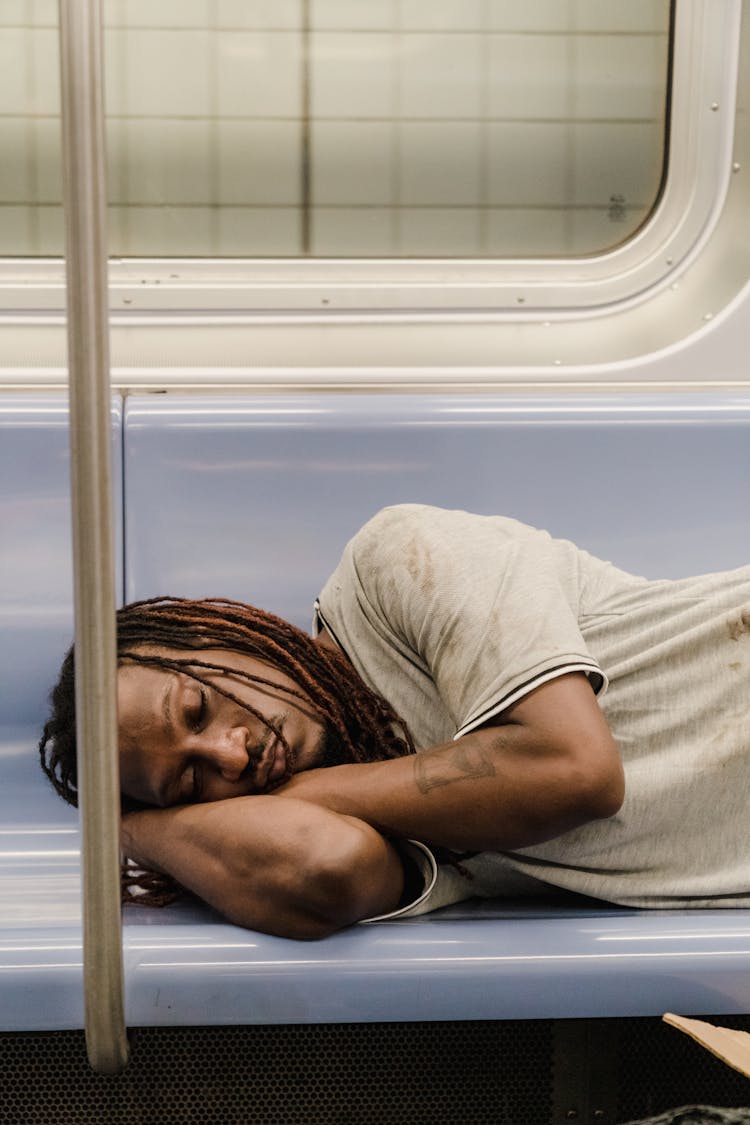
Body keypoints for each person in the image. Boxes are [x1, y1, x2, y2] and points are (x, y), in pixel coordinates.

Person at [39, 504, 750, 940]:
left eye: (196, 707)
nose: (230, 756)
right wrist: (126, 827)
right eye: (188, 780)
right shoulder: (374, 824)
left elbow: (577, 772)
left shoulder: (397, 564)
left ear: (216, 629)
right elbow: (324, 867)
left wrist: (307, 792)